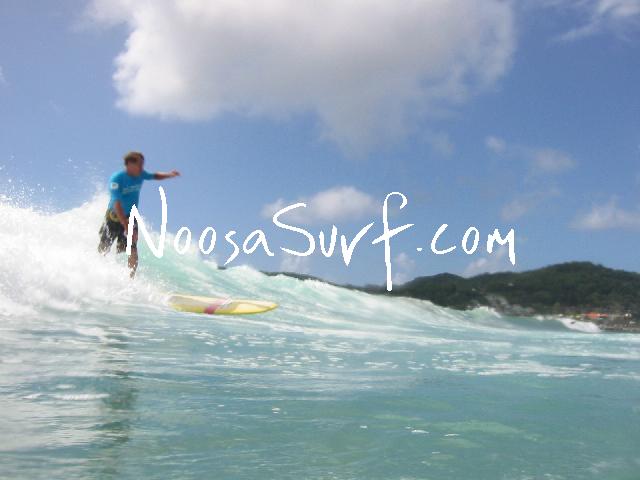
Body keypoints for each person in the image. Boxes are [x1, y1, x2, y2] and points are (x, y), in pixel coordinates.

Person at [98, 151, 180, 277]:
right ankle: (97, 271)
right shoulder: (117, 179)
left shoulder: (140, 175)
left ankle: (130, 279)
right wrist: (125, 225)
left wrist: (170, 174)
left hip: (131, 217)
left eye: (143, 164)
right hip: (113, 217)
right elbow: (116, 203)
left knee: (131, 249)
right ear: (129, 164)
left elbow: (155, 176)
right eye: (139, 164)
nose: (142, 167)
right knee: (104, 247)